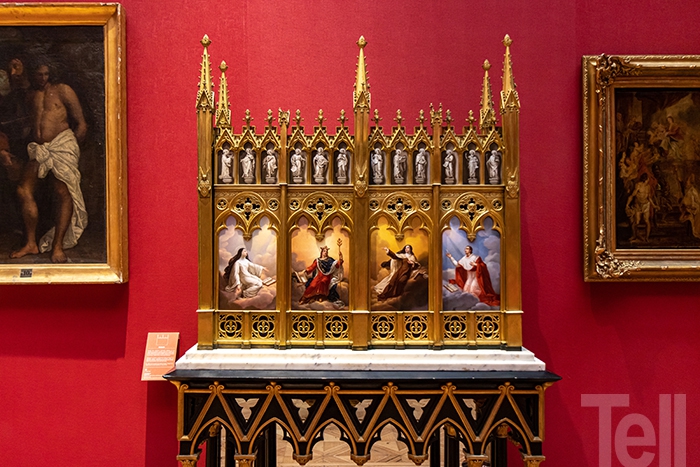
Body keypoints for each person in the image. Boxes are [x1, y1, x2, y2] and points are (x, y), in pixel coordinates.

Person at [11, 62, 88, 263]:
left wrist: (70, 150)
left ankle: (58, 246)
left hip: (63, 146)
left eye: (46, 74)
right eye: (39, 74)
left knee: (63, 192)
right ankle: (31, 243)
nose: (43, 78)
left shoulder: (63, 90)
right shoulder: (30, 95)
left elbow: (81, 124)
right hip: (40, 149)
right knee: (23, 190)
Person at [626, 172, 657, 242]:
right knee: (637, 222)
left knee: (647, 221)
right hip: (638, 205)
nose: (649, 180)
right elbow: (632, 195)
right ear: (646, 179)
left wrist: (654, 205)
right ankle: (634, 235)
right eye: (648, 178)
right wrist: (627, 204)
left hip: (646, 205)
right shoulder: (638, 185)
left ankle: (646, 237)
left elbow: (649, 197)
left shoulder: (648, 186)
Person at [680, 174, 700, 239]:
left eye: (687, 182)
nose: (686, 183)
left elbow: (695, 202)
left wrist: (691, 207)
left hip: (695, 208)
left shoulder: (693, 191)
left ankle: (692, 232)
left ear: (691, 183)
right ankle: (689, 233)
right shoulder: (689, 190)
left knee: (689, 217)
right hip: (690, 208)